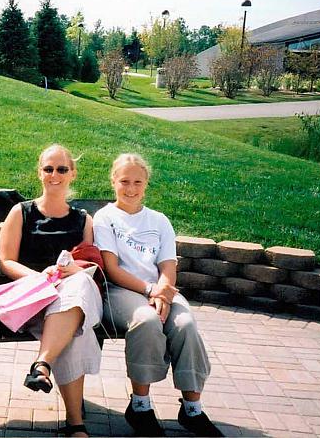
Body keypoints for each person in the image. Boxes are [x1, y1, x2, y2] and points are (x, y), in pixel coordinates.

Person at [93, 153, 223, 437]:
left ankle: (193, 409)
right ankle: (140, 406)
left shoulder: (159, 220)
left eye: (137, 181)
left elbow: (167, 265)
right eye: (124, 181)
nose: (131, 188)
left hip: (160, 291)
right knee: (147, 321)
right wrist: (151, 291)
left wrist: (163, 292)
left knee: (186, 325)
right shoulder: (105, 218)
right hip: (121, 291)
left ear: (146, 183)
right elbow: (112, 269)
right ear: (113, 181)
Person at [0, 144, 103, 438]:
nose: (54, 175)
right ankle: (75, 424)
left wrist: (76, 271)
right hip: (35, 299)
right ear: (39, 172)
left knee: (77, 291)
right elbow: (5, 261)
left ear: (73, 174)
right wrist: (40, 278)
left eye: (62, 169)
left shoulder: (84, 220)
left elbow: (90, 262)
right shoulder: (21, 212)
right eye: (48, 169)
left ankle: (42, 363)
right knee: (75, 326)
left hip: (74, 294)